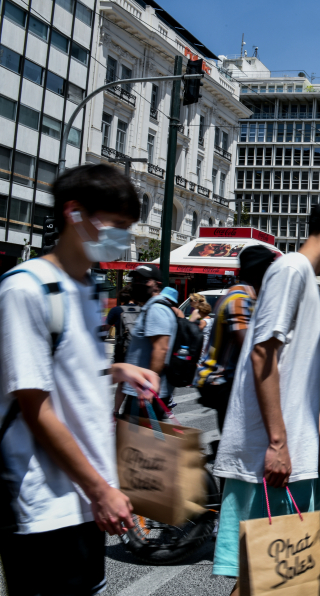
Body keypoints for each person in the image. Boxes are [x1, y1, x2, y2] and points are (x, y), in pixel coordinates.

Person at [0, 164, 159, 596]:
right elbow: (35, 405)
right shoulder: (28, 289)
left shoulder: (89, 287)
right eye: (117, 224)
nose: (124, 236)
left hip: (85, 498)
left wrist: (116, 370)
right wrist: (99, 489)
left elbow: (63, 369)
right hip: (43, 502)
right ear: (73, 213)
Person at [211, 197, 320, 590]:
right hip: (274, 458)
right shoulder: (290, 270)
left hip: (296, 453)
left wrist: (318, 435)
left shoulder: (307, 280)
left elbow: (298, 372)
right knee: (266, 579)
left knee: (278, 580)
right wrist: (278, 443)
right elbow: (262, 354)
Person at [196, 245, 278, 435]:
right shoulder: (239, 299)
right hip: (222, 381)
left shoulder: (246, 297)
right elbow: (249, 347)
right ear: (260, 269)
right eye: (270, 267)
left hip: (230, 381)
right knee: (237, 441)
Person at [119, 264, 182, 416]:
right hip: (141, 391)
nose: (137, 284)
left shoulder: (156, 309)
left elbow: (161, 349)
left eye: (143, 280)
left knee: (134, 432)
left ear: (157, 285)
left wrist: (148, 387)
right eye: (135, 280)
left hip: (146, 393)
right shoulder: (151, 307)